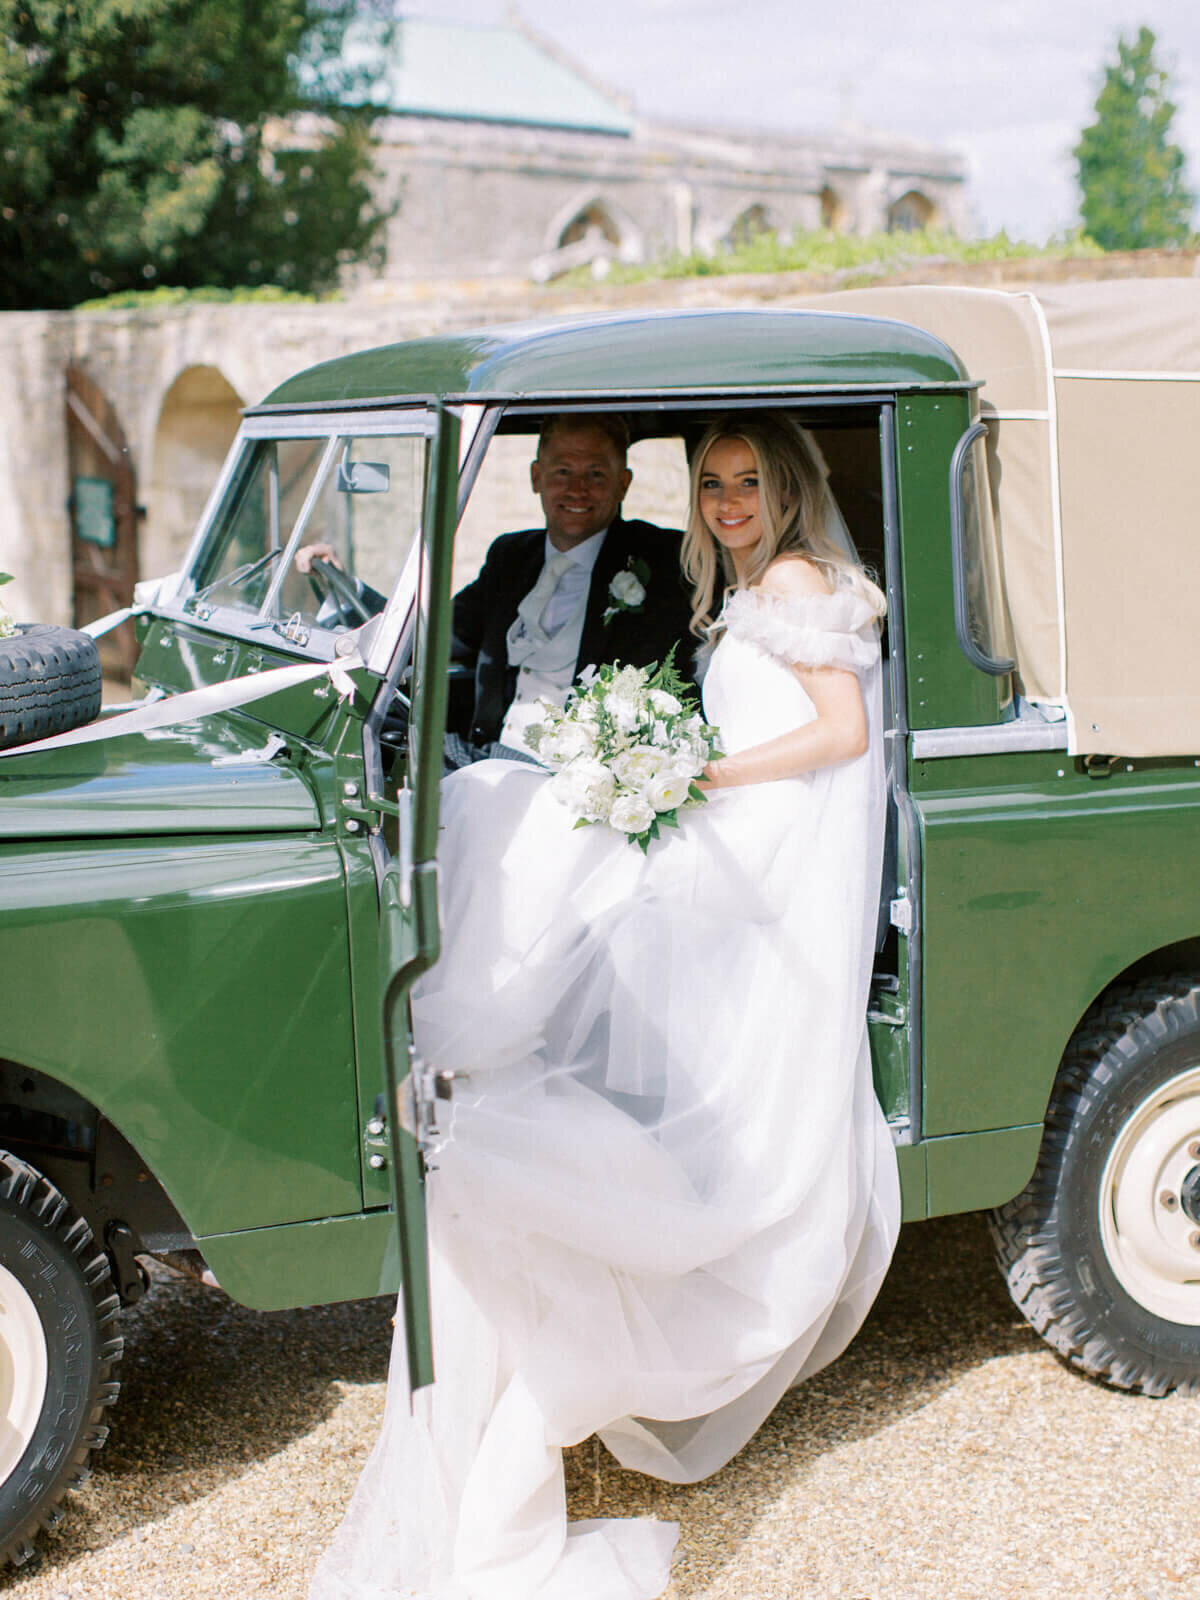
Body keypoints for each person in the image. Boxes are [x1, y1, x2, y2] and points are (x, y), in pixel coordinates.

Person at [309, 412, 900, 1600]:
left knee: (522, 840)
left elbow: (839, 733)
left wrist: (693, 775)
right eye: (714, 483)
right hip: (723, 821)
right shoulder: (726, 582)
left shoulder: (792, 579)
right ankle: (482, 1068)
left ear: (784, 491)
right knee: (495, 815)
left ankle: (494, 1085)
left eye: (746, 482)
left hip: (765, 852)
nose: (728, 501)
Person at [446, 413, 694, 763]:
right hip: (491, 759)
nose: (578, 489)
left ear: (623, 484)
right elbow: (442, 633)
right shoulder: (511, 556)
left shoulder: (663, 558)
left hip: (587, 776)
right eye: (563, 471)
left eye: (596, 474)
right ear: (537, 477)